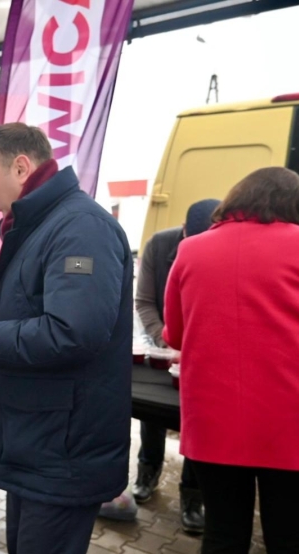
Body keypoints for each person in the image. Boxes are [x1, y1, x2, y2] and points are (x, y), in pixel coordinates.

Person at [0, 123, 133, 554]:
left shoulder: (80, 227)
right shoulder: (44, 224)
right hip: (39, 441)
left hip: (65, 447)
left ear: (22, 167)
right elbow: (36, 311)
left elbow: (72, 332)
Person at [163, 167, 299, 554]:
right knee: (293, 545)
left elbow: (175, 334)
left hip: (215, 420)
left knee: (223, 537)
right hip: (294, 419)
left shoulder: (190, 248)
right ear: (298, 207)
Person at [129, 198, 220, 533]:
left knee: (199, 420)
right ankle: (147, 471)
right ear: (183, 231)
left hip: (206, 353)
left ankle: (192, 495)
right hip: (164, 346)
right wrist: (166, 339)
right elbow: (144, 301)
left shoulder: (224, 251)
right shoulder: (160, 245)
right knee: (152, 413)